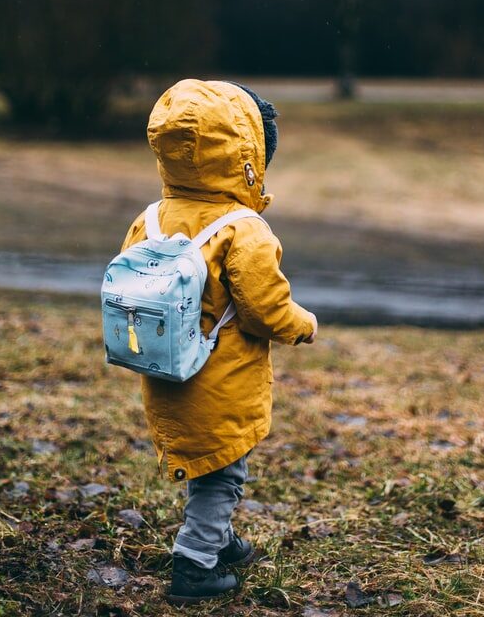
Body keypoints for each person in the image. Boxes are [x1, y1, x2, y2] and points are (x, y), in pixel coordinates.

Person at [121, 79, 318, 604]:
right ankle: (196, 562)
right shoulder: (243, 229)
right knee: (224, 473)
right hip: (221, 379)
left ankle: (219, 538)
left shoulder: (152, 220)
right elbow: (265, 308)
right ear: (247, 156)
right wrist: (302, 324)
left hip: (166, 373)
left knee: (209, 463)